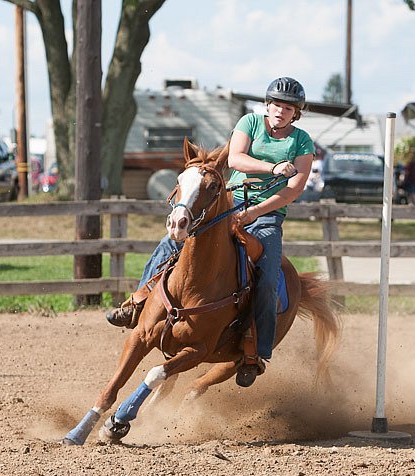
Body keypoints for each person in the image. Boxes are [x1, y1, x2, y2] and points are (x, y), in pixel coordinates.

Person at [105, 76, 315, 387]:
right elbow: (235, 158)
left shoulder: (302, 142)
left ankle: (255, 352)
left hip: (267, 217)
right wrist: (272, 168)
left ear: (295, 113)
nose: (280, 111)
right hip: (228, 205)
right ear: (267, 105)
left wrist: (256, 212)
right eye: (275, 104)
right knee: (171, 242)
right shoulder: (250, 122)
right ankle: (138, 302)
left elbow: (293, 190)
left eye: (288, 107)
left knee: (269, 279)